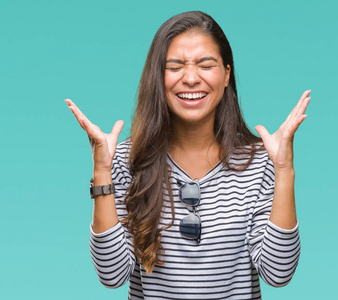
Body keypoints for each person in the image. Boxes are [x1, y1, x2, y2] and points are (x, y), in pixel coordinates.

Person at [65, 11, 308, 299]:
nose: (191, 78)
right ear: (159, 77)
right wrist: (102, 173)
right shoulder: (127, 159)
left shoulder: (260, 161)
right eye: (175, 66)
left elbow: (278, 273)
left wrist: (284, 170)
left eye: (206, 65)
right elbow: (112, 274)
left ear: (227, 74)